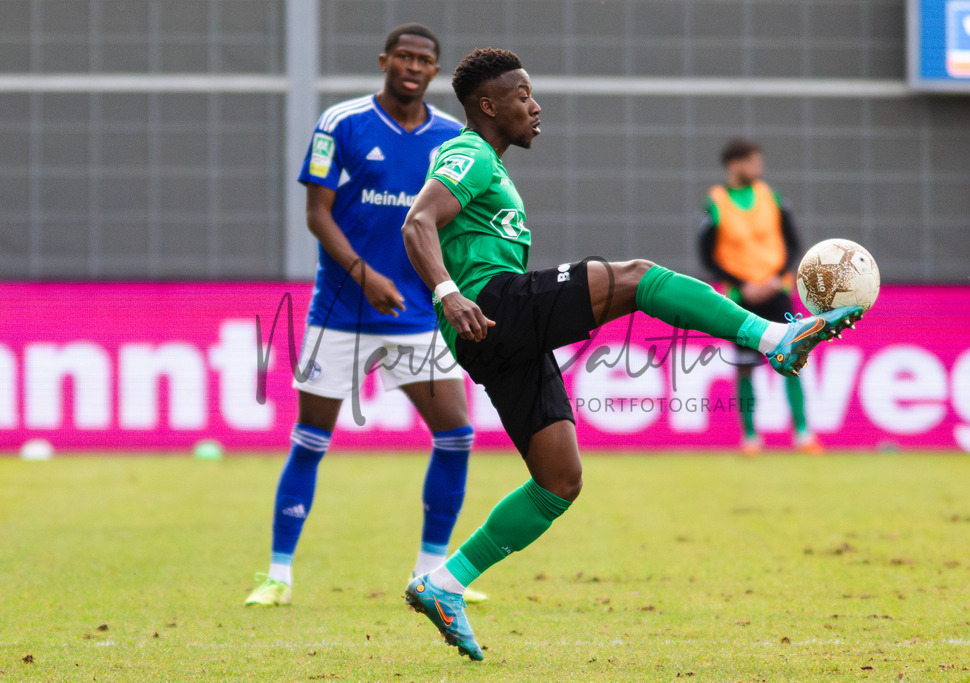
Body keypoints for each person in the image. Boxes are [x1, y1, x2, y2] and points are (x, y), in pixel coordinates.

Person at [399, 47, 863, 660]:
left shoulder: (491, 164)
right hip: (490, 305)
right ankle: (776, 337)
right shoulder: (469, 154)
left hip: (494, 333)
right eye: (521, 96)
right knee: (638, 277)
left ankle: (443, 584)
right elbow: (417, 223)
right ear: (488, 105)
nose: (535, 106)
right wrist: (449, 292)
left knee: (559, 482)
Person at [245, 23, 487, 607]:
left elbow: (455, 223)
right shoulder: (342, 123)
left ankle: (432, 573)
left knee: (456, 436)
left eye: (424, 59)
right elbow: (317, 214)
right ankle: (279, 574)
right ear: (385, 60)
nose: (412, 65)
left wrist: (448, 286)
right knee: (310, 439)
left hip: (417, 317)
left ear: (435, 71)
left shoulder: (454, 138)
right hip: (342, 312)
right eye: (403, 56)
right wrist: (365, 275)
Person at [698, 139, 823, 456]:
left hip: (776, 293)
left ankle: (803, 434)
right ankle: (751, 437)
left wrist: (774, 278)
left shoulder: (773, 199)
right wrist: (741, 282)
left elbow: (793, 244)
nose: (759, 168)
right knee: (744, 366)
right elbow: (707, 255)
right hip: (741, 296)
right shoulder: (716, 203)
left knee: (793, 360)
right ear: (734, 165)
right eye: (753, 162)